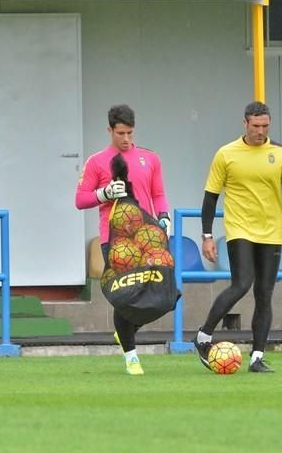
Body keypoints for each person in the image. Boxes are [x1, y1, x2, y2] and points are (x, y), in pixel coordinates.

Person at [194, 101, 282, 373]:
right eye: (255, 126)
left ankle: (256, 357)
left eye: (265, 126)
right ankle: (203, 336)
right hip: (239, 229)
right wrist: (207, 235)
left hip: (271, 232)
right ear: (244, 123)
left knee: (264, 294)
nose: (260, 131)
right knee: (242, 283)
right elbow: (210, 198)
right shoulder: (226, 154)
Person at [75, 104, 171, 376]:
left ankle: (125, 331)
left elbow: (159, 193)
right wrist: (103, 194)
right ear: (109, 130)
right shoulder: (96, 161)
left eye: (130, 132)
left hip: (148, 236)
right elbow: (80, 199)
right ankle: (131, 356)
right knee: (125, 297)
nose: (126, 138)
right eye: (120, 133)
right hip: (115, 239)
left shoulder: (150, 158)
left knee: (165, 296)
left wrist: (163, 215)